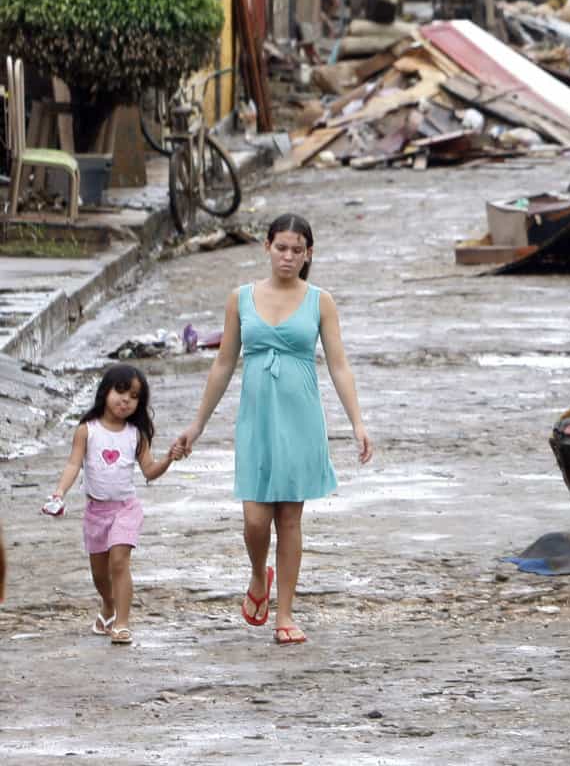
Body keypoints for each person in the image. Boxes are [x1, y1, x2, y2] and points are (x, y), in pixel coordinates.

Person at [172, 214, 373, 647]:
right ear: (267, 247)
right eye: (281, 247)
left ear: (308, 254)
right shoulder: (240, 298)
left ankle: (285, 613)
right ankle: (257, 576)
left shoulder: (320, 301)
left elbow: (338, 363)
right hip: (256, 420)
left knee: (290, 518)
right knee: (255, 519)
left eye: (297, 250)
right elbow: (224, 362)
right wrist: (197, 424)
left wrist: (357, 421)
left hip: (301, 418)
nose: (288, 256)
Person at [42, 363, 178, 644]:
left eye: (134, 396)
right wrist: (59, 493)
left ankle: (123, 623)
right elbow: (73, 464)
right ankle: (108, 604)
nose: (126, 399)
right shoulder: (86, 430)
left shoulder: (135, 435)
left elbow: (149, 471)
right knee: (100, 575)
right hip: (96, 512)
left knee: (119, 561)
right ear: (105, 391)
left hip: (125, 509)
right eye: (120, 391)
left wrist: (169, 459)